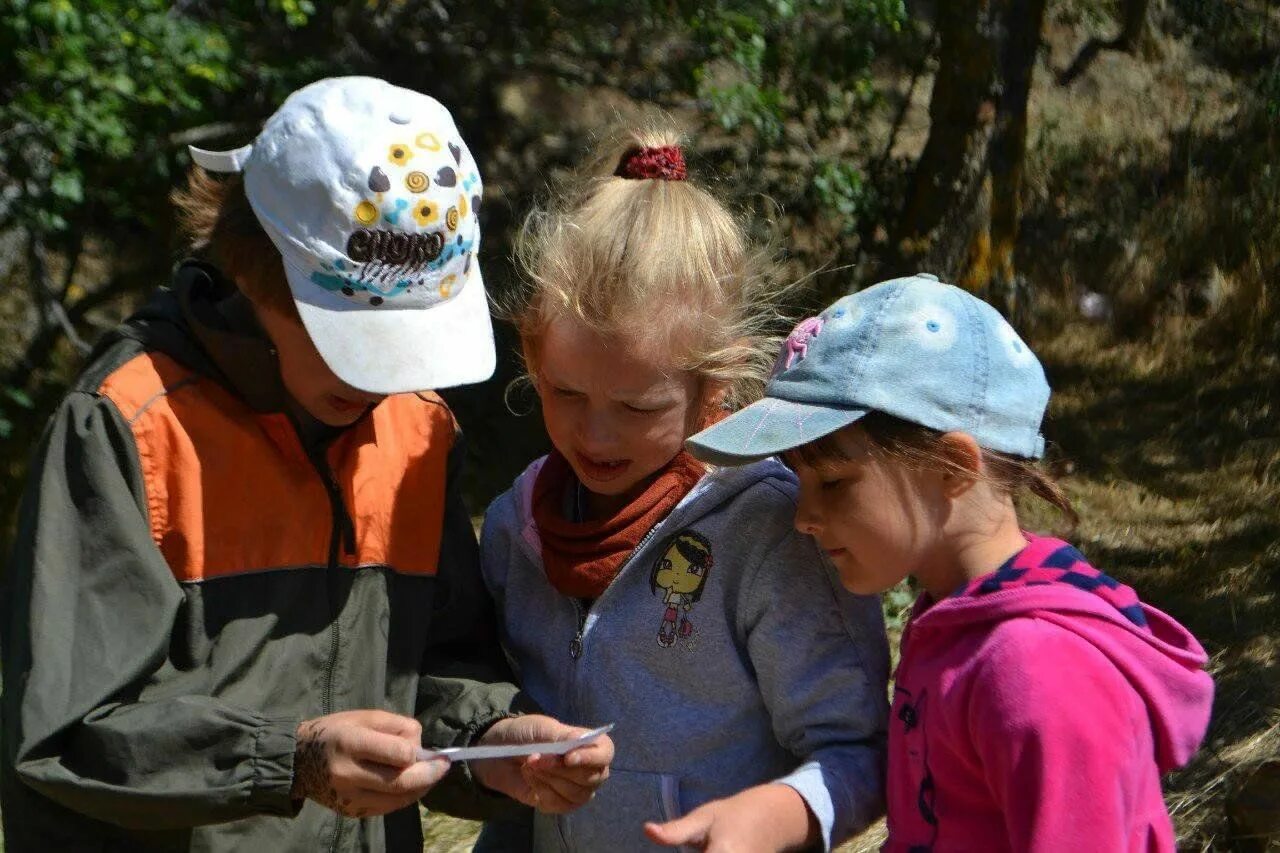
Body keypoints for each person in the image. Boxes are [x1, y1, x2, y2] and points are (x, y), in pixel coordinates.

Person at [0, 76, 612, 853]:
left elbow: (435, 663)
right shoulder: (130, 427)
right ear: (259, 273)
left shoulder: (415, 431)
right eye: (353, 341)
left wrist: (493, 738)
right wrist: (288, 761)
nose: (375, 381)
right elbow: (71, 731)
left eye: (402, 348)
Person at [687, 273, 1215, 852]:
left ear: (952, 469)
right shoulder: (959, 618)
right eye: (799, 479)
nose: (802, 517)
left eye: (833, 482)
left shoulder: (1035, 672)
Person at [475, 129, 890, 853]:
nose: (595, 436)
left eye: (638, 407)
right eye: (565, 392)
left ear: (714, 387)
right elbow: (486, 713)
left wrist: (770, 817)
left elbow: (856, 752)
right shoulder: (522, 518)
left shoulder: (769, 530)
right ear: (531, 358)